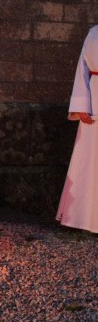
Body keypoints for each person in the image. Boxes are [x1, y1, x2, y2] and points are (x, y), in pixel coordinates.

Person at [56, 24, 97, 234]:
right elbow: (82, 69)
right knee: (90, 160)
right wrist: (82, 105)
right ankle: (86, 219)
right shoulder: (94, 33)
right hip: (95, 102)